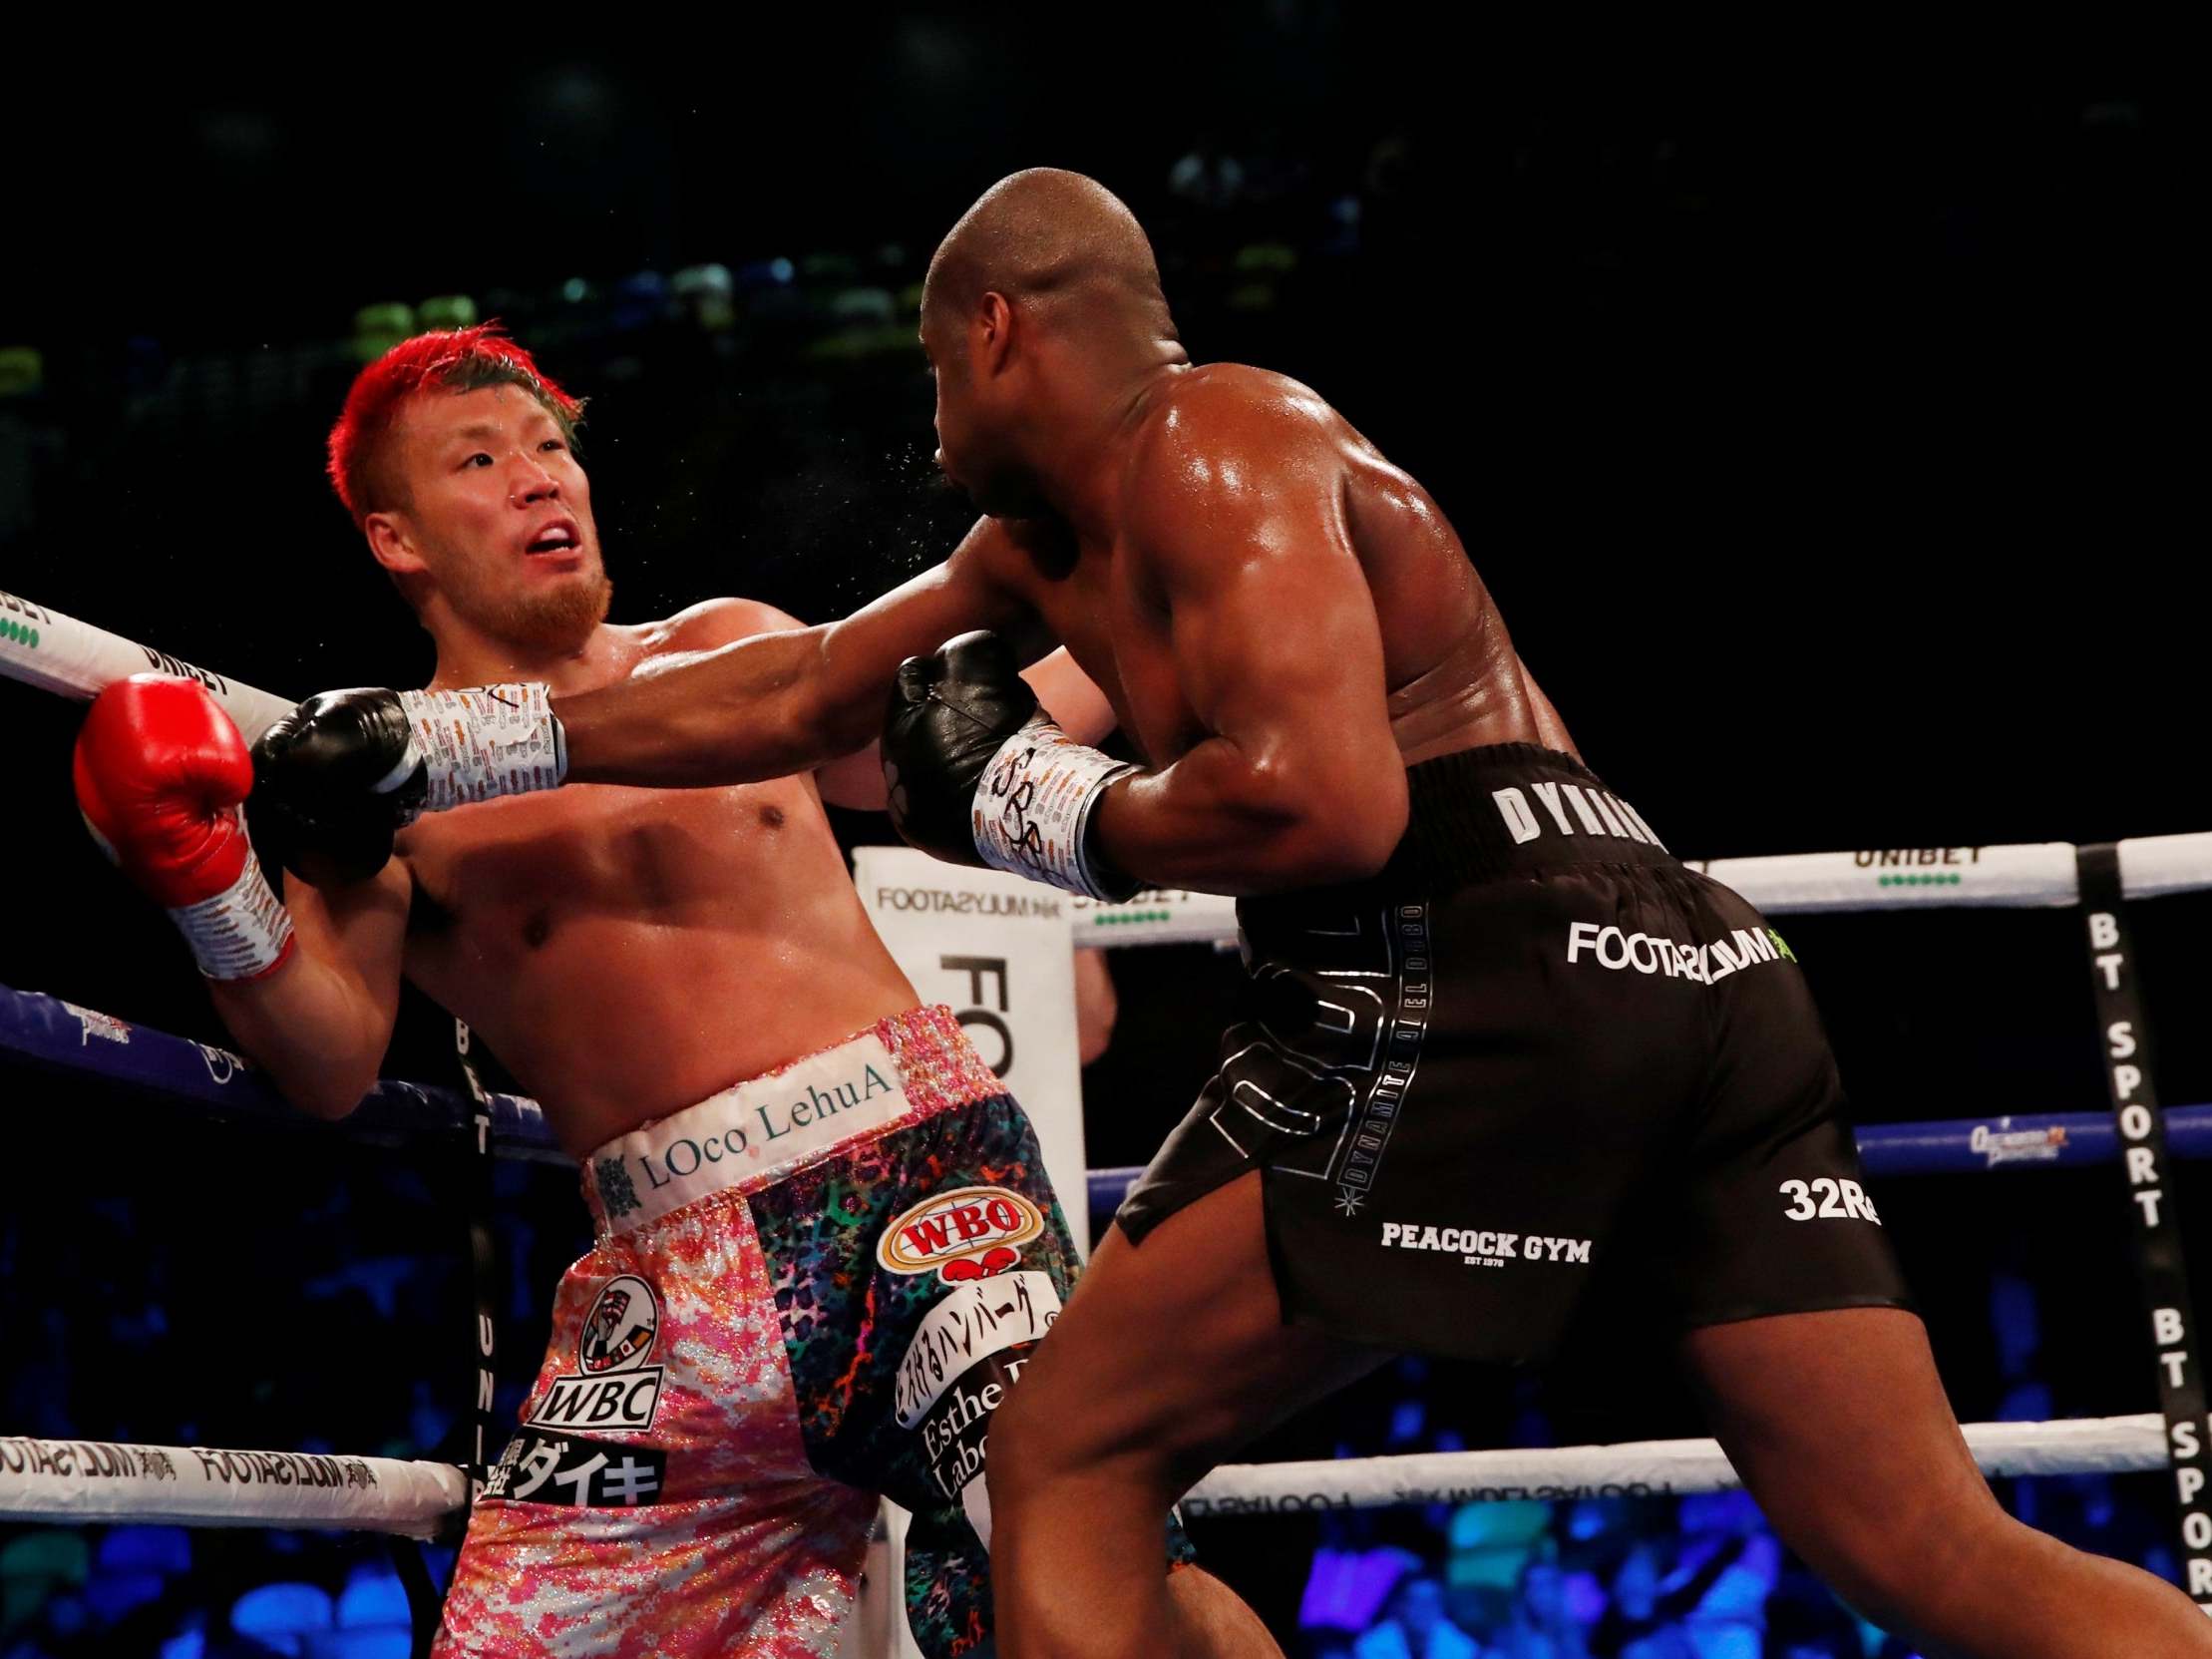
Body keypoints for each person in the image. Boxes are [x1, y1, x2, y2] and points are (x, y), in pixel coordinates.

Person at [248, 174, 2212, 1658]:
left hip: (1462, 957)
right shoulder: (1058, 533)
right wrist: (440, 754)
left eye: (934, 367)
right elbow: (800, 695)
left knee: (1068, 1461)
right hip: (1682, 955)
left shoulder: (1208, 434)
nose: (924, 417)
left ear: (1005, 332)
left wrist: (1032, 798)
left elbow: (1327, 796)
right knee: (1923, 1547)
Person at [71, 324, 1258, 1658]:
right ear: (398, 538)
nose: (540, 481)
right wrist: (202, 885)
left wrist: (1151, 599)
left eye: (548, 451)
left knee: (1082, 1573)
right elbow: (331, 1056)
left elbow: (945, 755)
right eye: (481, 460)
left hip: (923, 1188)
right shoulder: (389, 801)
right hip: (667, 1287)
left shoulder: (731, 653)